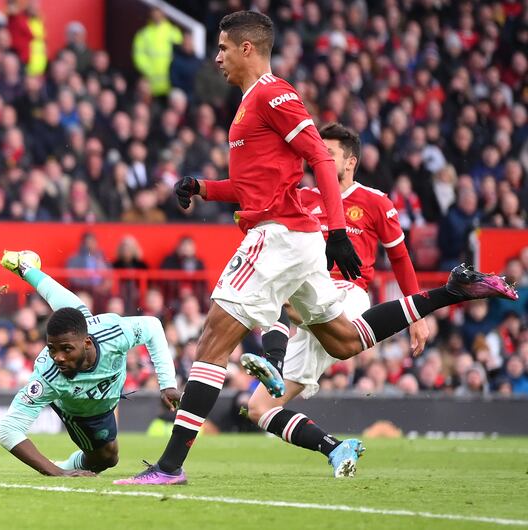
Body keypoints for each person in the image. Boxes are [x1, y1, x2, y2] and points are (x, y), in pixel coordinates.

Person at [114, 11, 517, 486]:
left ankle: (169, 466)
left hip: (280, 236)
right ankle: (453, 291)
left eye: (223, 47)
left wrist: (341, 233)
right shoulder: (247, 105)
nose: (217, 56)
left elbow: (320, 159)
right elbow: (250, 186)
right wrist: (201, 186)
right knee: (344, 340)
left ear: (248, 48)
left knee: (211, 345)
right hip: (295, 240)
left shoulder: (272, 93)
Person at [239, 122, 429, 477]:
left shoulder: (375, 202)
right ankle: (335, 447)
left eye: (328, 155)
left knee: (279, 289)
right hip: (308, 307)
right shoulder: (304, 198)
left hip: (346, 299)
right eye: (317, 154)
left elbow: (400, 258)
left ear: (351, 161)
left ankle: (274, 363)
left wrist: (416, 314)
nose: (319, 160)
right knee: (259, 407)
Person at [0, 250, 181, 476]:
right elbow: (7, 431)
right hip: (82, 409)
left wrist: (167, 384)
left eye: (66, 349)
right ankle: (27, 269)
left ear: (86, 343)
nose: (58, 357)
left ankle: (26, 268)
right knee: (107, 459)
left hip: (105, 388)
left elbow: (152, 327)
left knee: (77, 311)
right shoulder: (48, 375)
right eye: (52, 348)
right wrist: (55, 472)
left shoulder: (113, 333)